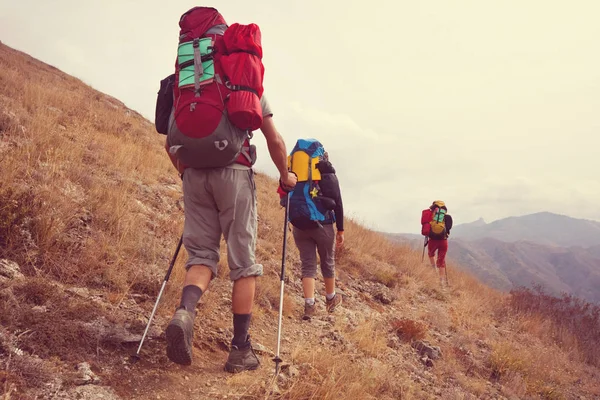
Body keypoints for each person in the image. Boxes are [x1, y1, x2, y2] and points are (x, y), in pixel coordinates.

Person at [163, 7, 297, 373]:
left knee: (201, 257)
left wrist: (187, 173)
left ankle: (185, 312)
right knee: (244, 263)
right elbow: (274, 139)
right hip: (233, 172)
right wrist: (285, 176)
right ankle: (240, 350)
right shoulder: (241, 76)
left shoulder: (183, 82)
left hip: (193, 173)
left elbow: (169, 141)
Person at [279, 150, 345, 320]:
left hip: (299, 224)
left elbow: (282, 197)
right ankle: (331, 299)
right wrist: (340, 229)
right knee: (327, 260)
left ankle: (309, 305)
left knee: (307, 264)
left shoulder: (292, 172)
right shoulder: (326, 175)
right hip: (323, 224)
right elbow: (338, 203)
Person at [426, 201, 453, 287]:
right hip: (443, 241)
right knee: (441, 260)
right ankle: (441, 281)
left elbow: (426, 227)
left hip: (432, 240)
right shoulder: (447, 217)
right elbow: (449, 228)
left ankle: (434, 271)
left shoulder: (430, 216)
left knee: (431, 254)